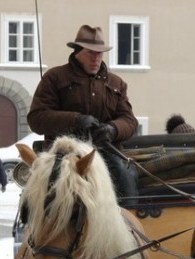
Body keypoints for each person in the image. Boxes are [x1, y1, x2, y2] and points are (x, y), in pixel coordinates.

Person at [27, 24, 139, 199]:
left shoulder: (117, 83)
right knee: (39, 197)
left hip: (104, 155)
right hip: (62, 157)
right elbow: (37, 118)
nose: (96, 59)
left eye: (99, 54)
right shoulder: (55, 77)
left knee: (126, 183)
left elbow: (129, 121)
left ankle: (128, 222)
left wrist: (113, 129)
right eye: (90, 53)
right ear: (77, 52)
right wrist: (75, 120)